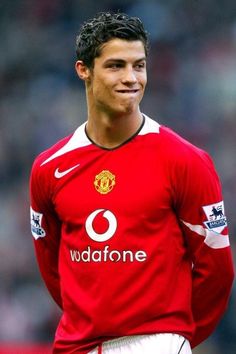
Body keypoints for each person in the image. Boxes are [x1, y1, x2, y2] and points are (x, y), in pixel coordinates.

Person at [29, 11, 234, 354]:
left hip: (155, 343)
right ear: (84, 70)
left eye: (139, 65)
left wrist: (175, 337)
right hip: (74, 345)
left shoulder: (184, 160)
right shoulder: (49, 168)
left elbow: (218, 271)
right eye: (116, 66)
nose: (131, 78)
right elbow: (52, 266)